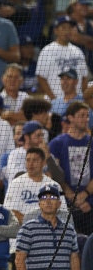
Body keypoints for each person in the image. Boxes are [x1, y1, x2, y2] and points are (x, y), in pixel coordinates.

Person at [48, 101, 93, 235]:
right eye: (81, 115)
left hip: (89, 205)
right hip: (65, 205)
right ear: (70, 117)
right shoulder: (57, 143)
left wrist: (86, 198)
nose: (85, 119)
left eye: (87, 116)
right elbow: (53, 174)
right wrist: (70, 196)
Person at [15, 184, 80, 270]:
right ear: (39, 204)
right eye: (44, 197)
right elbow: (19, 260)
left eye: (53, 197)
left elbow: (74, 259)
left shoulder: (69, 230)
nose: (48, 201)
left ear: (59, 203)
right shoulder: (28, 229)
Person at [36, 16, 89, 100]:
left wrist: (83, 100)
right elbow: (41, 78)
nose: (67, 31)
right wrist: (54, 100)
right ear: (56, 30)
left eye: (69, 28)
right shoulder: (47, 51)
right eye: (63, 28)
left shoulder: (78, 51)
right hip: (55, 102)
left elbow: (84, 77)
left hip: (76, 103)